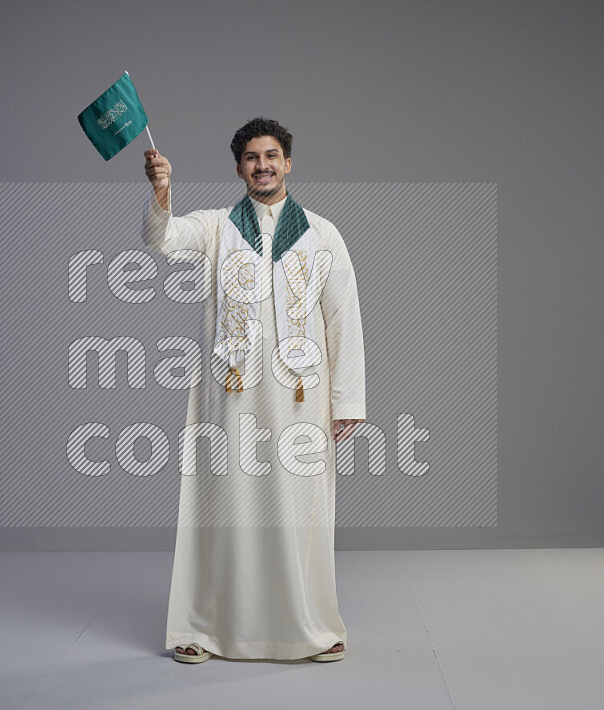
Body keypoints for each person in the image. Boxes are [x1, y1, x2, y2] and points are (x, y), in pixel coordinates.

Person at [141, 117, 366, 663]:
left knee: (300, 508)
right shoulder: (219, 226)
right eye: (251, 158)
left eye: (271, 156)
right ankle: (206, 628)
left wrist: (347, 401)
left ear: (288, 163)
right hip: (230, 391)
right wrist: (162, 191)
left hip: (299, 394)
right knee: (223, 506)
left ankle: (308, 626)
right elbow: (163, 240)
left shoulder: (322, 232)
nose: (262, 165)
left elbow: (343, 317)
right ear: (239, 167)